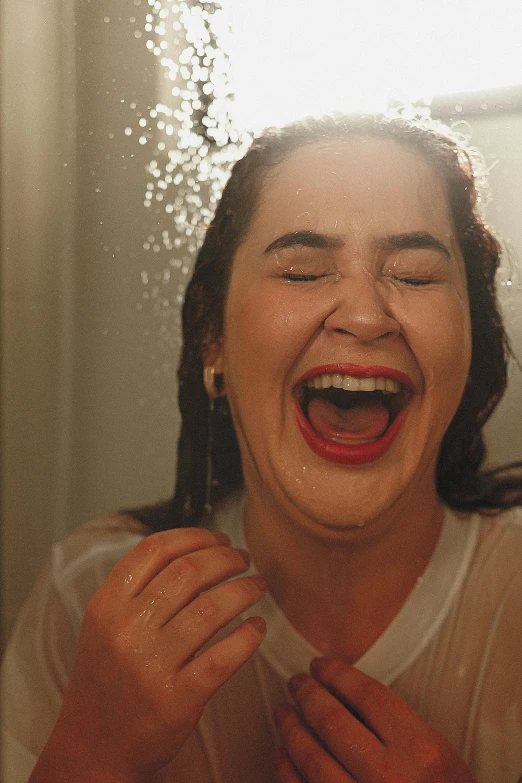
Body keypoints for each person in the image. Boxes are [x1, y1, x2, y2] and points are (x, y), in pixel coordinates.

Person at [2, 112, 522, 783]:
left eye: (417, 275)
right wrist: (88, 758)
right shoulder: (91, 602)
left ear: (469, 339)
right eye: (304, 272)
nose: (364, 315)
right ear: (211, 335)